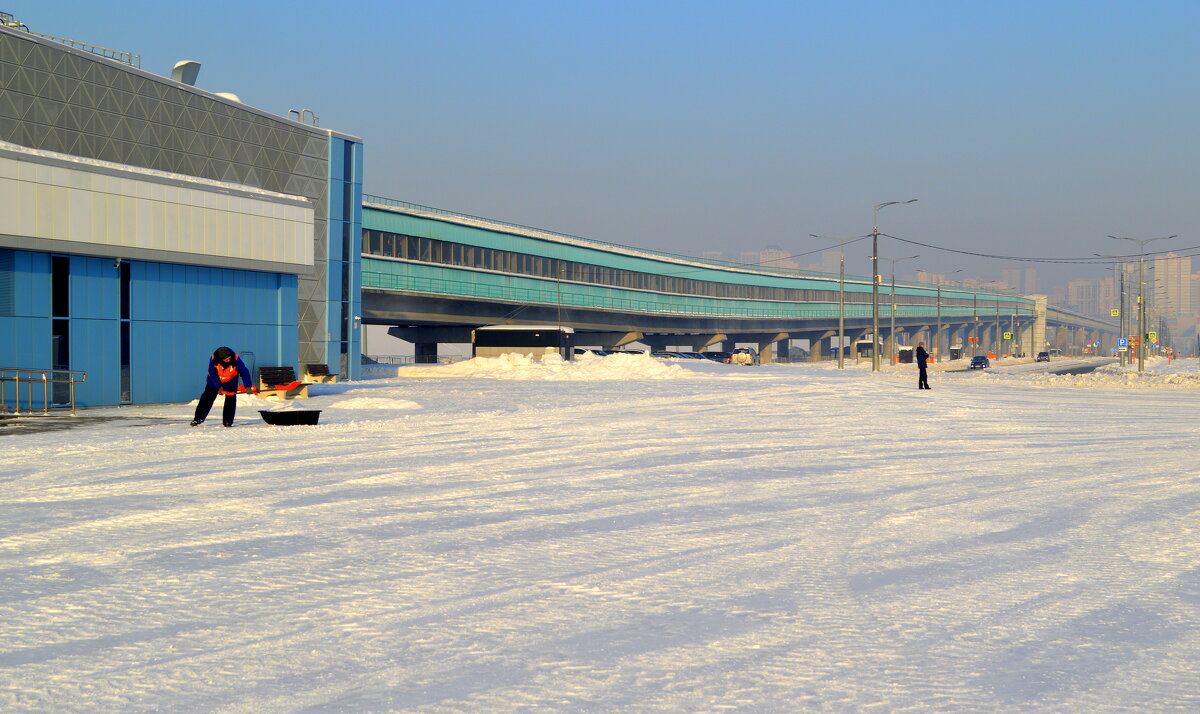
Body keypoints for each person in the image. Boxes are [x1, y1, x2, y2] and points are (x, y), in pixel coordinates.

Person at [191, 346, 256, 426]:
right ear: (220, 359)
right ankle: (198, 419)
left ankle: (228, 421)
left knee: (230, 401)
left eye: (229, 358)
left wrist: (248, 386)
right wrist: (219, 386)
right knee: (206, 400)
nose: (228, 360)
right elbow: (213, 374)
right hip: (214, 382)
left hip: (231, 383)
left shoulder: (236, 360)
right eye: (226, 360)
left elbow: (244, 372)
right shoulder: (214, 360)